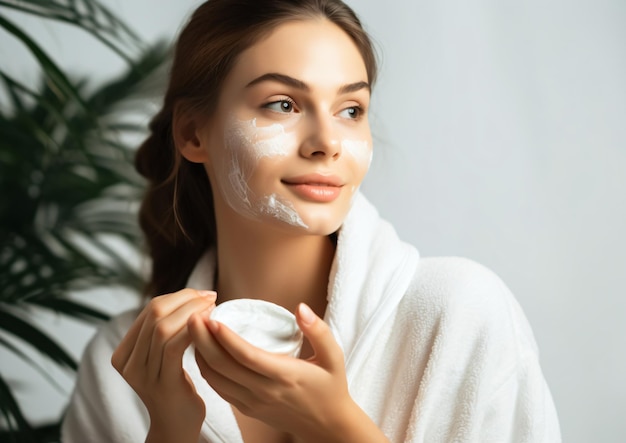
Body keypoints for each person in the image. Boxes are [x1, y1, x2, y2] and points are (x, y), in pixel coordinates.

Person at [61, 0, 561, 442]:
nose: (328, 141)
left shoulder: (458, 314)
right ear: (194, 133)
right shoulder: (121, 368)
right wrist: (169, 434)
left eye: (350, 109)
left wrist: (336, 425)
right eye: (284, 104)